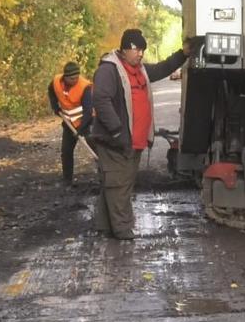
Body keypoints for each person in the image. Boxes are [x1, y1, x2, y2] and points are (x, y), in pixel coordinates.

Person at [88, 29, 192, 240]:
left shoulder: (139, 70)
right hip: (115, 141)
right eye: (137, 49)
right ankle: (123, 230)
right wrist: (117, 131)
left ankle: (105, 226)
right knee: (119, 185)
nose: (141, 54)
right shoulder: (109, 70)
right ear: (125, 48)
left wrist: (183, 53)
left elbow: (163, 68)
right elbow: (100, 99)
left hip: (133, 141)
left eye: (142, 50)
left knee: (116, 182)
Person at [47, 61, 93, 186]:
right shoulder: (56, 81)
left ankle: (105, 176)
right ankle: (67, 180)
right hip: (69, 123)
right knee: (66, 152)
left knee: (96, 150)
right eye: (72, 78)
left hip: (87, 123)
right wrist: (55, 107)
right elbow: (51, 91)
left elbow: (89, 111)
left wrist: (81, 130)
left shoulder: (85, 87)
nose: (75, 80)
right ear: (65, 77)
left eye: (77, 77)